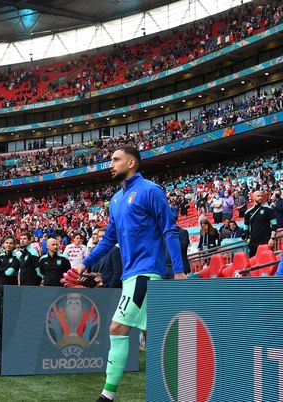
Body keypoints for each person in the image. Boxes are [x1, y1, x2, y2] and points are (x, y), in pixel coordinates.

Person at [74, 146, 186, 402]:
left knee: (117, 327)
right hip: (130, 275)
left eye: (115, 159)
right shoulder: (116, 200)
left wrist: (178, 271)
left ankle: (106, 395)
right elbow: (108, 239)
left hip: (147, 273)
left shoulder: (150, 190)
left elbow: (170, 230)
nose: (110, 164)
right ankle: (180, 385)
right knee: (155, 333)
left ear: (132, 162)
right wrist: (86, 263)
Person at [244, 190, 277, 257]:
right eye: (258, 196)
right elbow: (246, 227)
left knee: (267, 260)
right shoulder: (247, 212)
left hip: (266, 240)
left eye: (261, 196)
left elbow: (274, 224)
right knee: (253, 262)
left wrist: (272, 238)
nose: (260, 197)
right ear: (253, 198)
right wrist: (248, 239)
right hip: (253, 241)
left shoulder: (268, 209)